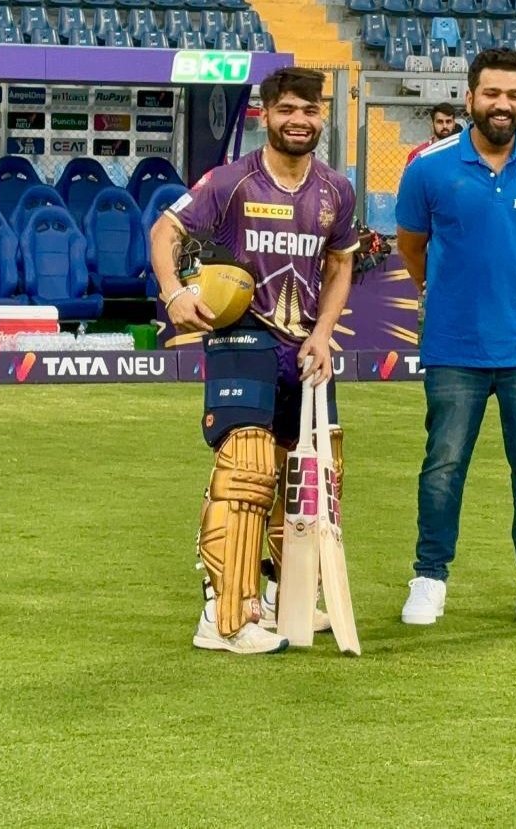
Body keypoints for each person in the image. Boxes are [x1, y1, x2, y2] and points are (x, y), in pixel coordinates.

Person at [150, 67, 359, 654]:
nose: (300, 120)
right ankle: (225, 615)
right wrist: (175, 294)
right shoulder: (231, 181)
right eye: (288, 109)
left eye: (311, 109)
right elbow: (163, 232)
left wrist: (322, 334)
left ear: (324, 116)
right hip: (242, 336)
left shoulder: (336, 191)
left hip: (304, 349)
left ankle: (282, 597)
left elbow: (340, 264)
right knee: (247, 471)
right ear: (264, 114)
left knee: (310, 477)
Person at [394, 48, 516, 630]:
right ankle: (429, 578)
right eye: (492, 94)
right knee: (443, 466)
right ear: (470, 98)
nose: (502, 105)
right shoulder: (429, 167)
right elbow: (412, 246)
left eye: (513, 95)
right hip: (454, 345)